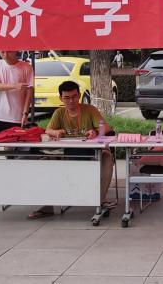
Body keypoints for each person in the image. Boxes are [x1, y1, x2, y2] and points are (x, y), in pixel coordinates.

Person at [29, 80, 114, 219]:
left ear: (79, 95)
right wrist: (55, 132)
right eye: (67, 97)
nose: (71, 101)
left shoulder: (90, 109)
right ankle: (48, 204)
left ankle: (101, 200)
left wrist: (95, 131)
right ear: (61, 98)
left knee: (107, 156)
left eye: (74, 96)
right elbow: (48, 130)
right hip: (66, 154)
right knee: (47, 160)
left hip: (91, 153)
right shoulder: (59, 112)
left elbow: (106, 127)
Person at [0, 51, 34, 136]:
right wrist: (14, 85)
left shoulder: (27, 67)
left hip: (15, 117)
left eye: (9, 52)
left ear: (15, 51)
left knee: (12, 142)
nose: (5, 55)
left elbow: (29, 91)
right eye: (2, 52)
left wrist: (25, 113)